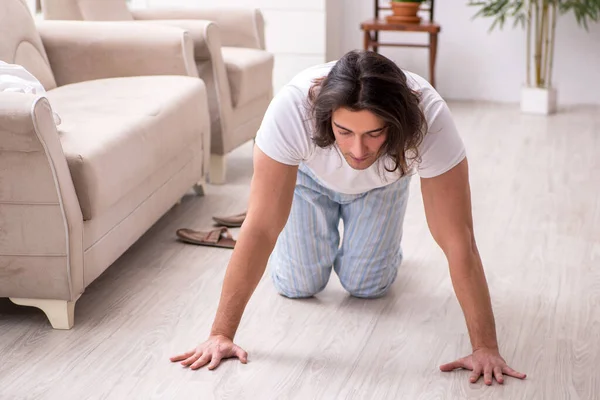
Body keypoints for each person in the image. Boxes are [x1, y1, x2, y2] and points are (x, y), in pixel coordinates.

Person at [170, 50, 526, 386]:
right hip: (307, 180)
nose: (358, 150)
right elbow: (262, 229)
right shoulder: (292, 109)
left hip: (384, 179)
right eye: (345, 132)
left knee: (368, 286)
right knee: (299, 285)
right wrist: (220, 334)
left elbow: (458, 238)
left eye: (374, 133)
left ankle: (371, 237)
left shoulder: (429, 117)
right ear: (326, 119)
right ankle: (268, 208)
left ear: (397, 124)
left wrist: (485, 348)